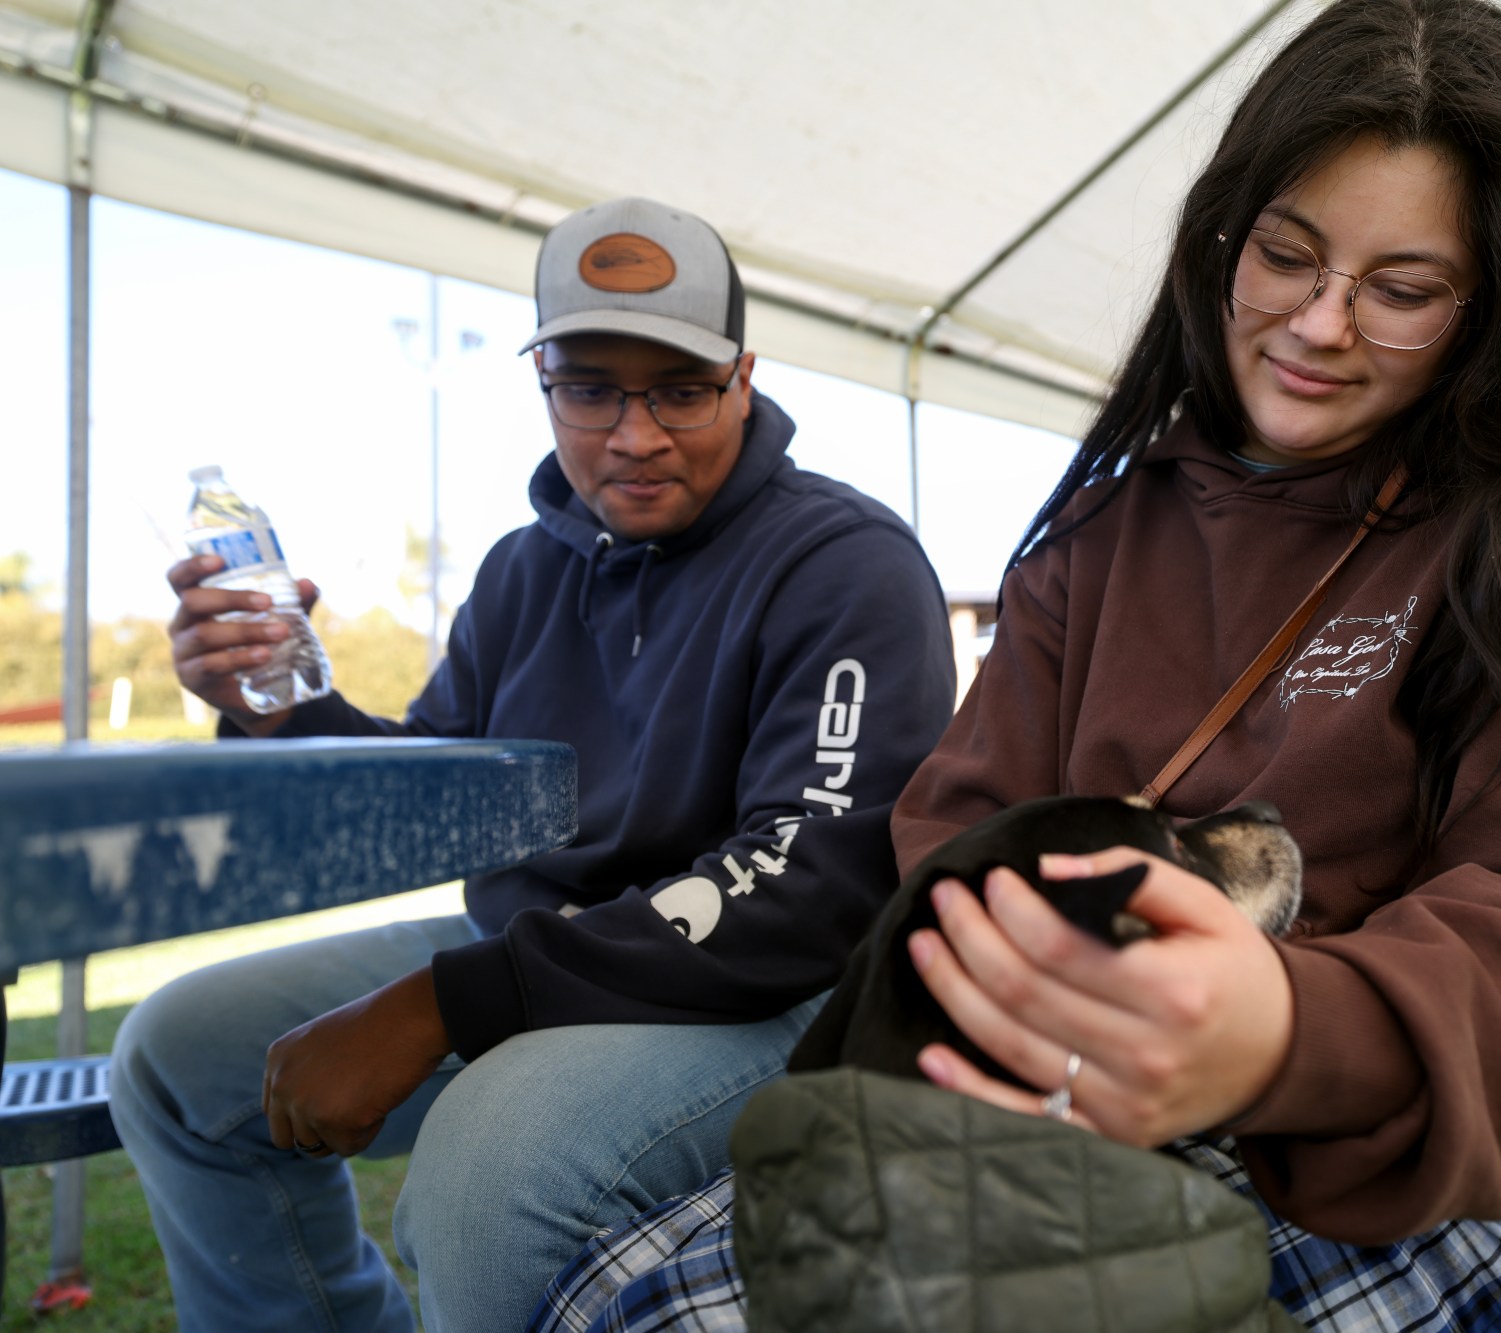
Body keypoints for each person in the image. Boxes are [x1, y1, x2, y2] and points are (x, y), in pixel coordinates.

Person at [528, 2, 1501, 1329]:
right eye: (1286, 257)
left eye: (1403, 291)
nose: (1320, 323)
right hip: (1043, 1103)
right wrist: (1059, 968)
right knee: (619, 1307)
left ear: (1498, 308)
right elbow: (959, 820)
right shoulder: (1099, 536)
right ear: (1220, 241)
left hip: (1401, 1162)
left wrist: (1290, 1026)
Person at [109, 197, 958, 1332]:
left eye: (680, 388)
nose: (634, 433)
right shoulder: (522, 568)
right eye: (590, 386)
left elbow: (808, 890)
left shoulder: (844, 563)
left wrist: (449, 1003)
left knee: (484, 1173)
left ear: (744, 379)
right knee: (172, 1054)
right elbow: (439, 797)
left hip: (776, 989)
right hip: (540, 954)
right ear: (545, 381)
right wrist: (280, 708)